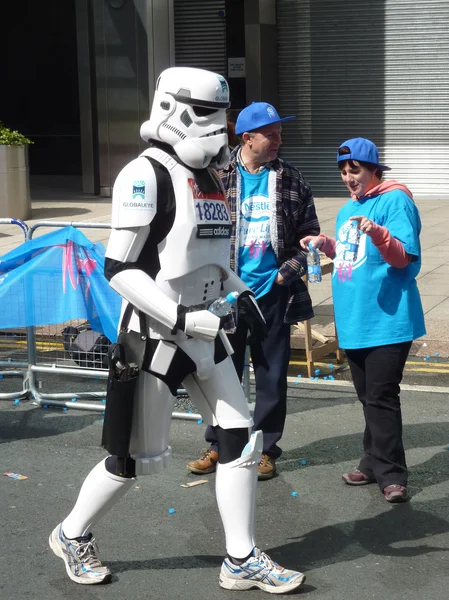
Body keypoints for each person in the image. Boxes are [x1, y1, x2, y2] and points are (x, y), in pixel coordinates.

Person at [48, 67, 305, 594]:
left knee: (240, 436)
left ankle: (240, 557)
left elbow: (210, 254)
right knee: (128, 458)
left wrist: (241, 292)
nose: (220, 130)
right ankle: (72, 533)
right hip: (154, 337)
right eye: (208, 114)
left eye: (223, 117)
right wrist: (184, 318)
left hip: (207, 331)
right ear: (172, 108)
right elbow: (120, 270)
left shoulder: (210, 176)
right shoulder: (143, 175)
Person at [187, 101, 320, 480]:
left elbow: (307, 238)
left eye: (280, 133)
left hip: (273, 295)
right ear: (247, 138)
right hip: (222, 295)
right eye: (271, 134)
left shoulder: (293, 180)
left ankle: (264, 449)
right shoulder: (212, 176)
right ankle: (219, 445)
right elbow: (194, 231)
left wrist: (284, 275)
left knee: (271, 375)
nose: (279, 140)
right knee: (219, 373)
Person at [300, 137, 425, 504]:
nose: (347, 177)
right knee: (368, 398)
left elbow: (403, 257)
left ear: (374, 170)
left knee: (382, 398)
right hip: (354, 319)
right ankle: (372, 463)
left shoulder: (395, 200)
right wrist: (325, 245)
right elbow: (350, 254)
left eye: (354, 170)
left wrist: (379, 233)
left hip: (387, 318)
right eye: (342, 171)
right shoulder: (347, 210)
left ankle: (392, 475)